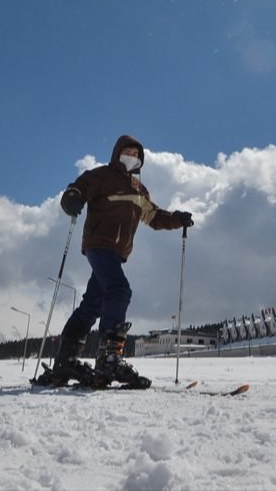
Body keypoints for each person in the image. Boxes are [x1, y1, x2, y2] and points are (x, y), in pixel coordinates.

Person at [37, 135, 193, 389]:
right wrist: (71, 198)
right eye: (127, 151)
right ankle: (109, 360)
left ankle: (65, 361)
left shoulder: (138, 189)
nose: (131, 156)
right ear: (117, 153)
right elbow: (78, 188)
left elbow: (154, 216)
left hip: (117, 253)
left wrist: (177, 219)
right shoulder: (101, 176)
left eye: (136, 153)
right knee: (119, 290)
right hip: (99, 245)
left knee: (93, 304)